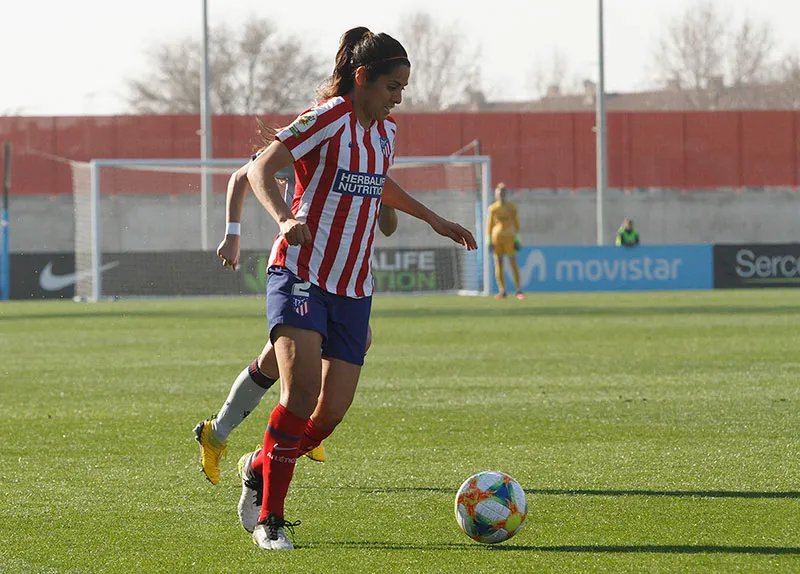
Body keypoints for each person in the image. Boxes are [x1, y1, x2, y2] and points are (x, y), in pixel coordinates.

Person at [219, 27, 476, 551]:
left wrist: (433, 219)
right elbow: (261, 168)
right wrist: (287, 218)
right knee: (299, 396)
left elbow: (378, 181)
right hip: (300, 273)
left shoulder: (385, 132)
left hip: (354, 287)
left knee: (328, 415)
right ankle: (270, 521)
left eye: (402, 88)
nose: (398, 97)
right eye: (393, 87)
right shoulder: (328, 119)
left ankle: (259, 465)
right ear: (363, 78)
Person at [193, 170, 399, 479]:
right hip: (299, 270)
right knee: (297, 361)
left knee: (277, 362)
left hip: (337, 280)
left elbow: (388, 228)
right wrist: (233, 234)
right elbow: (243, 177)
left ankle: (220, 434)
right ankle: (234, 440)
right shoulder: (312, 140)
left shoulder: (364, 157)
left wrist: (385, 192)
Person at [487, 183, 524, 299]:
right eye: (499, 193)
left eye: (502, 193)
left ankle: (519, 290)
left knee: (513, 262)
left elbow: (516, 224)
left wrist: (518, 239)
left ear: (505, 194)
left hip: (509, 238)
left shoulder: (511, 208)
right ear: (496, 195)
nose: (501, 195)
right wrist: (489, 240)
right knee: (499, 263)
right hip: (496, 238)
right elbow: (489, 225)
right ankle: (502, 291)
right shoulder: (493, 208)